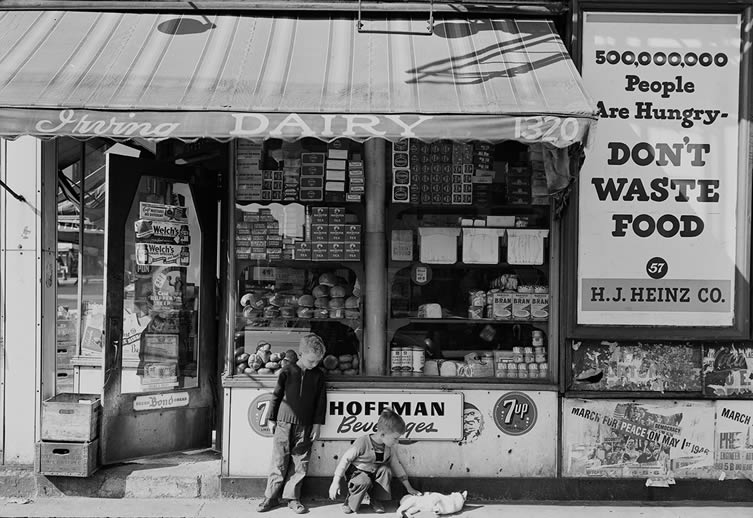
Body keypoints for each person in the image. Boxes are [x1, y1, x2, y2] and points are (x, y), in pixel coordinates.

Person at [257, 333, 327, 515]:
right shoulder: (287, 371)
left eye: (317, 361)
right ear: (301, 354)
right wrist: (271, 418)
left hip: (305, 425)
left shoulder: (319, 376)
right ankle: (270, 497)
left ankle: (293, 497)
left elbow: (321, 401)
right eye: (311, 361)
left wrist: (317, 424)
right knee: (279, 459)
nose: (314, 365)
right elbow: (276, 395)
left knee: (300, 461)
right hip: (282, 422)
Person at [328, 408, 420, 514]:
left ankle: (375, 500)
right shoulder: (362, 442)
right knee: (363, 480)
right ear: (382, 435)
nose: (397, 441)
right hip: (358, 474)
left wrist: (409, 488)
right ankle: (350, 501)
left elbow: (396, 465)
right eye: (395, 438)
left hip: (374, 474)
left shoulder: (389, 447)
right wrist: (335, 482)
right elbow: (345, 459)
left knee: (386, 470)